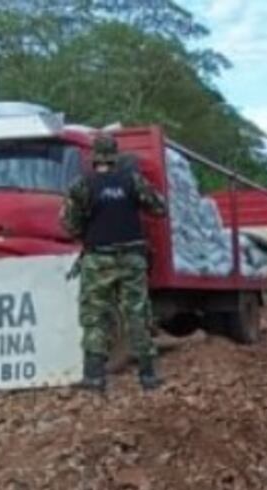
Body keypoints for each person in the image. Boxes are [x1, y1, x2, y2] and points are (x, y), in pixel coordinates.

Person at [61, 135, 168, 392]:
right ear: (115, 155)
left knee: (95, 315)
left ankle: (94, 377)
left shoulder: (82, 184)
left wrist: (87, 229)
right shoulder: (132, 180)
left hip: (99, 259)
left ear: (94, 156)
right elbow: (159, 208)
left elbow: (69, 225)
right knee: (137, 313)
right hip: (132, 258)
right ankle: (148, 376)